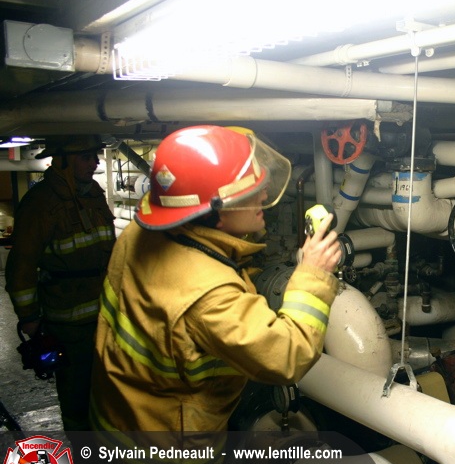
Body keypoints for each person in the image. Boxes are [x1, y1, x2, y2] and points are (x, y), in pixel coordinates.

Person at [89, 125, 342, 434]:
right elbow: (287, 357)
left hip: (115, 413)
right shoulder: (208, 294)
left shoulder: (140, 230)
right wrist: (315, 274)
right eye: (251, 192)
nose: (264, 194)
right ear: (216, 212)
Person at [5, 135, 116, 431]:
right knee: (77, 395)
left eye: (95, 156)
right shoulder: (40, 203)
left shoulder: (93, 194)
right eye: (86, 157)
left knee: (109, 393)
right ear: (63, 161)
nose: (94, 163)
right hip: (69, 323)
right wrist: (30, 319)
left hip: (105, 316)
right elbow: (21, 268)